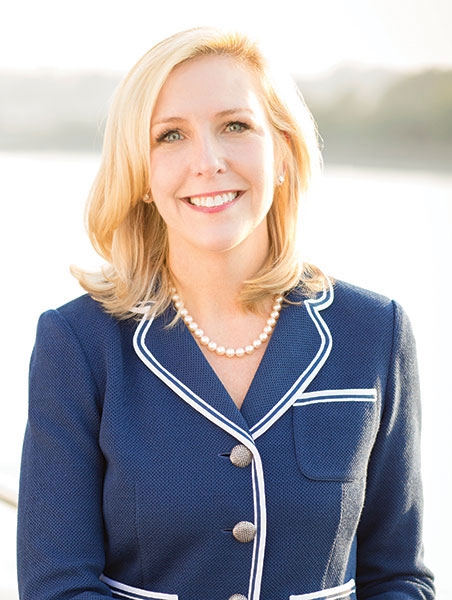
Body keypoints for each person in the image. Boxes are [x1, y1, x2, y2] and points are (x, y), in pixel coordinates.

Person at [17, 26, 435, 600]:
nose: (207, 162)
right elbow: (57, 585)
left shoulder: (375, 332)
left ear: (282, 151)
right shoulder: (78, 342)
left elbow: (399, 577)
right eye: (170, 136)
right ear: (140, 175)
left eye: (235, 126)